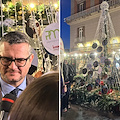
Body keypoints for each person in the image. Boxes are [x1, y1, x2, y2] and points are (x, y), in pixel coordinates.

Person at [0, 31, 34, 101]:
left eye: (20, 60)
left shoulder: (44, 91)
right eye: (6, 59)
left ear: (30, 60)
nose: (12, 67)